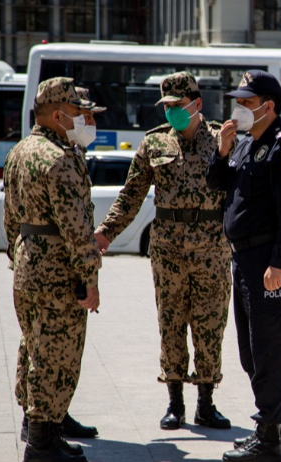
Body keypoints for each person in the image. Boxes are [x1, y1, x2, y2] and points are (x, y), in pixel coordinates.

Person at [94, 71, 233, 431]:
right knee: (171, 324)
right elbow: (131, 194)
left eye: (177, 105)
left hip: (211, 249)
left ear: (197, 104)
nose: (171, 112)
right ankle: (175, 402)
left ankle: (206, 401)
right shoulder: (154, 144)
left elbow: (239, 190)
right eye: (167, 107)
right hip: (168, 250)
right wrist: (107, 232)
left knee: (210, 325)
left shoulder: (222, 141)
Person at [206, 70, 281, 462]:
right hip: (243, 259)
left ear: (269, 105)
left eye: (246, 102)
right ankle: (276, 428)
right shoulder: (245, 143)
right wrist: (222, 149)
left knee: (267, 349)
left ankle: (267, 438)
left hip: (267, 261)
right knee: (251, 353)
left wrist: (279, 264)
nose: (238, 108)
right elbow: (217, 185)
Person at [3, 77, 102, 462]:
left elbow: (10, 218)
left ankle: (40, 426)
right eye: (78, 113)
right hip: (57, 273)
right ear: (58, 115)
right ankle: (42, 444)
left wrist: (20, 254)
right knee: (56, 356)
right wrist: (89, 279)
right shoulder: (59, 160)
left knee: (33, 347)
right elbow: (78, 231)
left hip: (28, 266)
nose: (84, 118)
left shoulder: (21, 151)